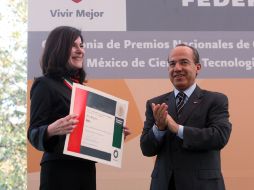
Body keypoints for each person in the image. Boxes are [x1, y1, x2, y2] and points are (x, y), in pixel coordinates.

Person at [27, 26, 130, 190]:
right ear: (58, 48)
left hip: (85, 171)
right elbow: (33, 133)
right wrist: (51, 130)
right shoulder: (45, 84)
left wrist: (113, 137)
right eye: (73, 45)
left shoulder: (80, 89)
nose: (80, 50)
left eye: (81, 45)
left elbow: (87, 138)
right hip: (59, 173)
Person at [140, 44, 232, 190]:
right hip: (165, 184)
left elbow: (219, 137)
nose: (177, 68)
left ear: (197, 67)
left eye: (184, 62)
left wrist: (178, 129)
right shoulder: (155, 104)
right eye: (172, 64)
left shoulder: (215, 100)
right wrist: (159, 128)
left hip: (203, 185)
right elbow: (146, 149)